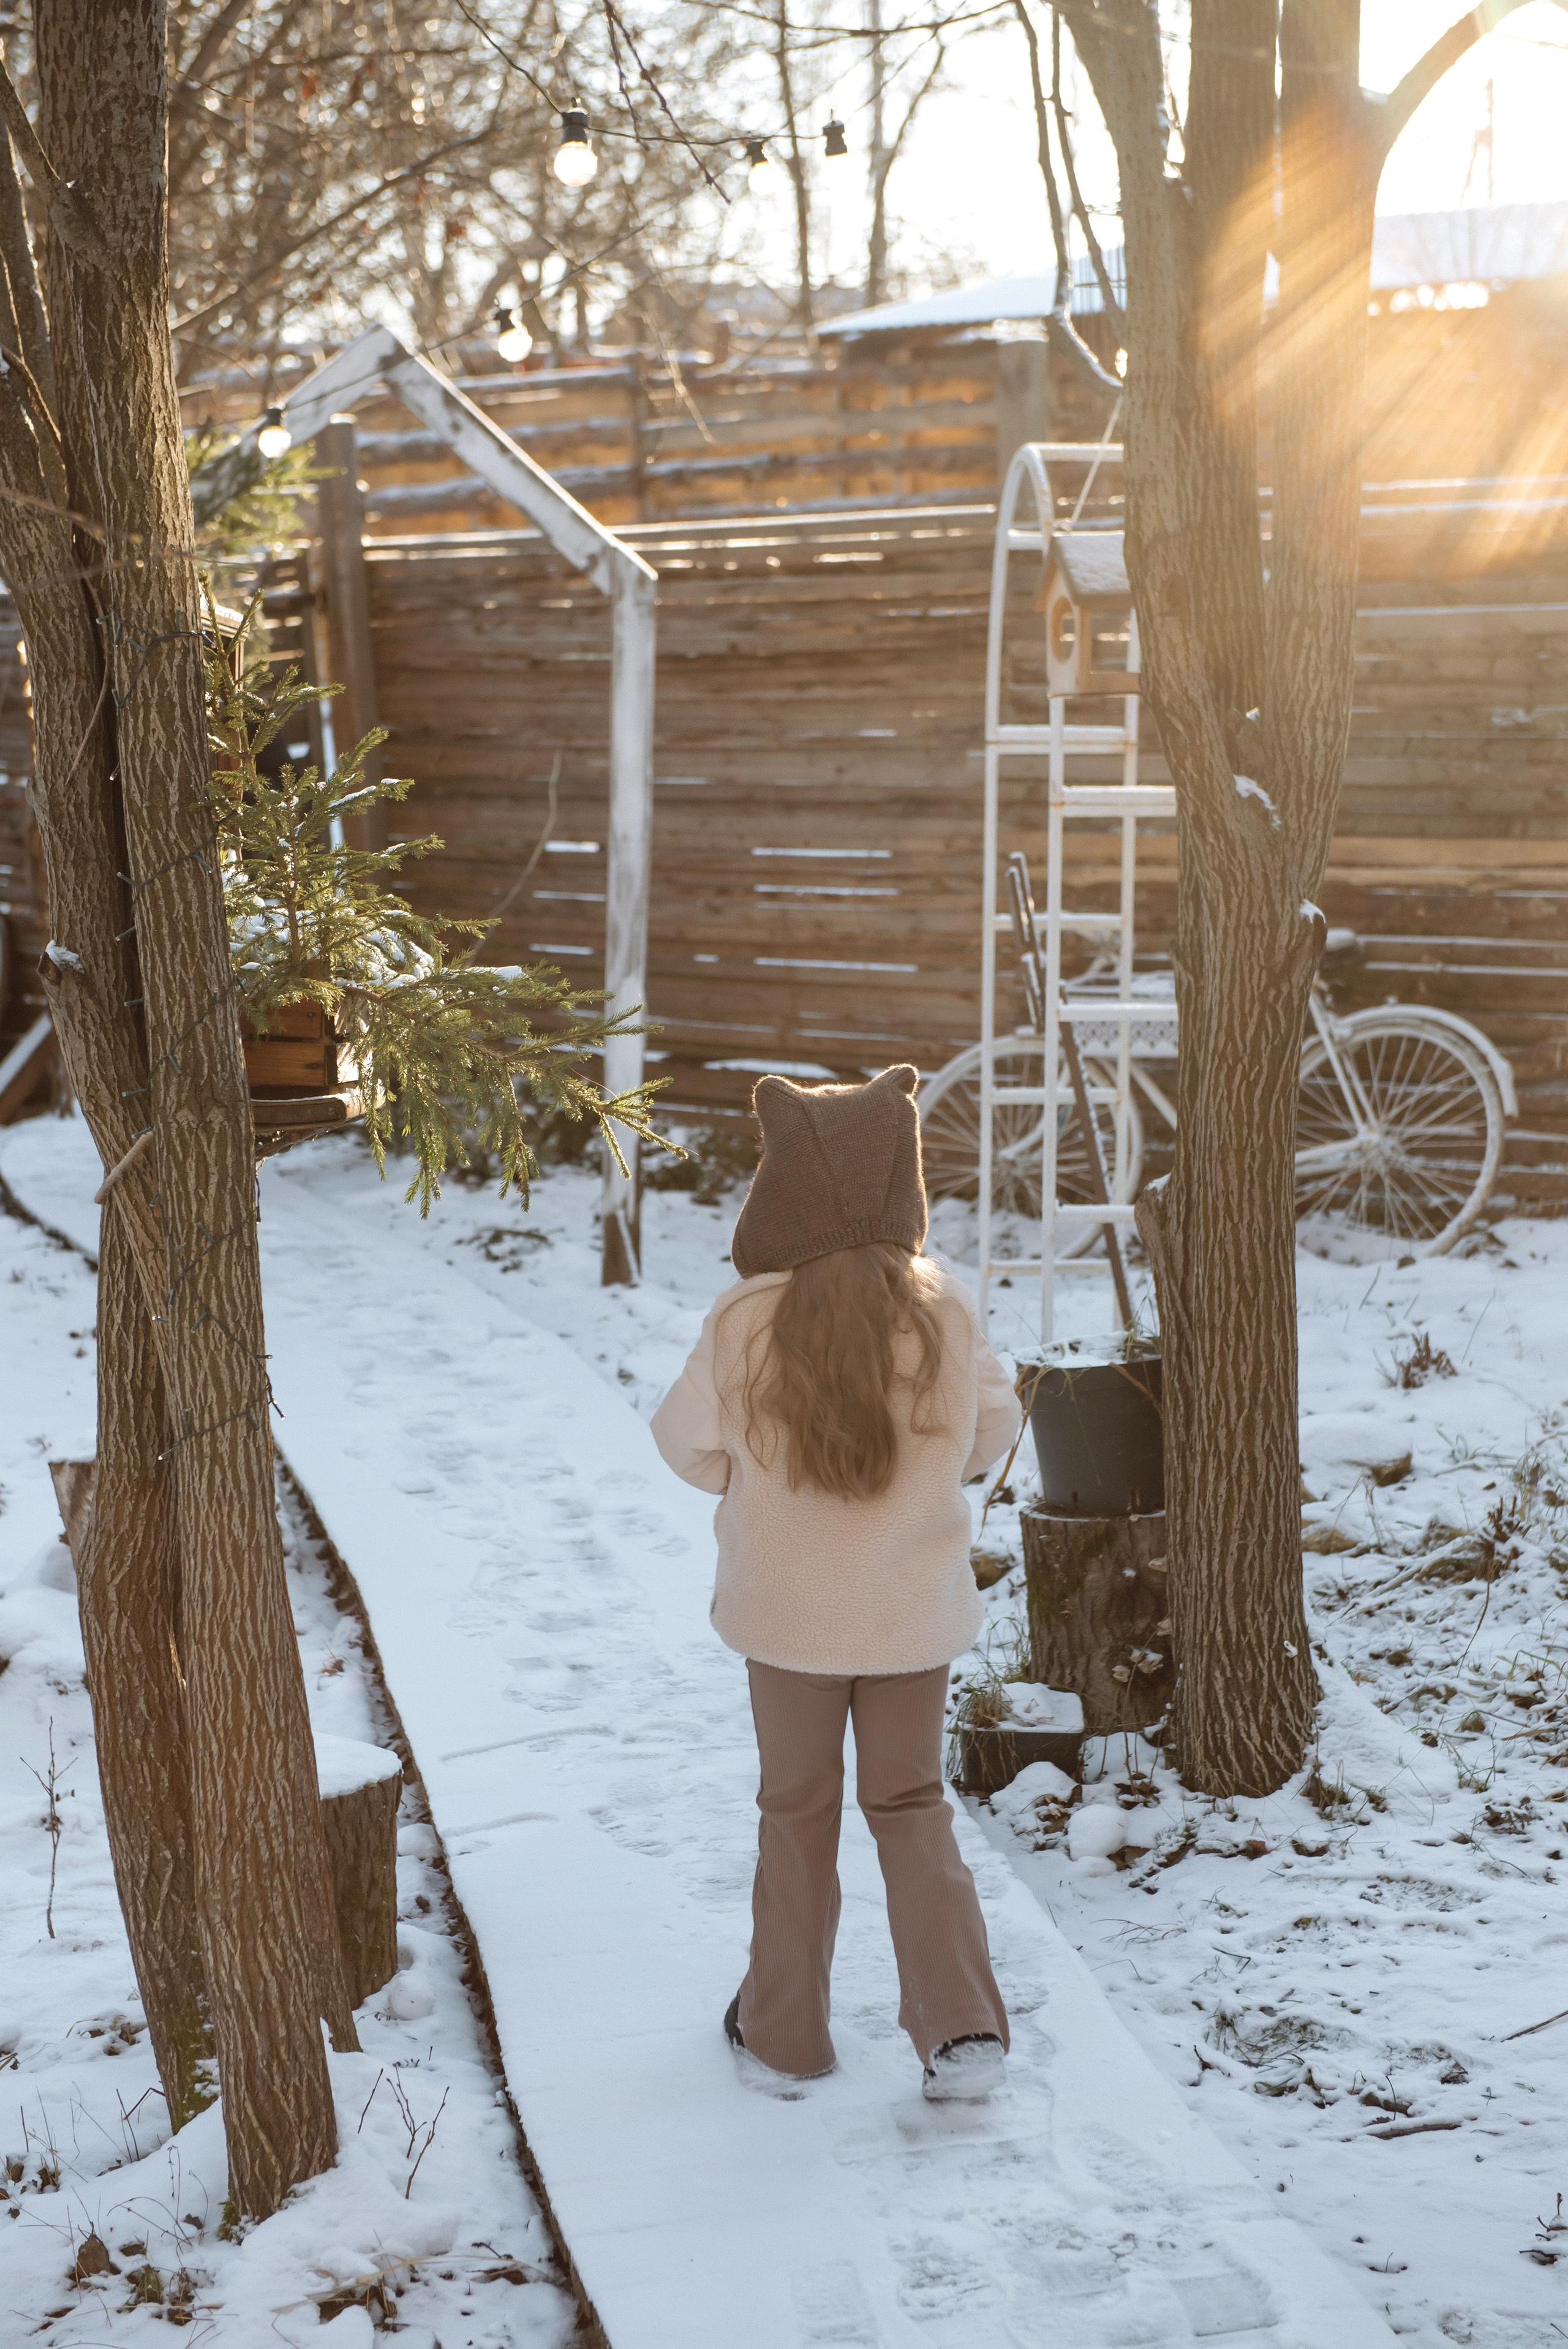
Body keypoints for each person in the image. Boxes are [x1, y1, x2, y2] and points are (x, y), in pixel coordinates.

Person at [650, 1064, 1022, 2100]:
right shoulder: (942, 1309)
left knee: (796, 1808)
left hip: (788, 1613)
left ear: (782, 1190)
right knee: (910, 1802)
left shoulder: (745, 1319)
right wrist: (927, 1473)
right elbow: (995, 1423)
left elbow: (684, 1444)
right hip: (911, 1614)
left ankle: (783, 2033)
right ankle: (960, 2030)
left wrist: (752, 1480)